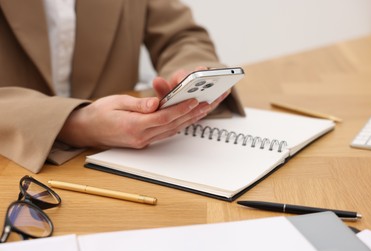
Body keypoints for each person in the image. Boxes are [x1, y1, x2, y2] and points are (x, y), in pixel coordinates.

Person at [0, 0, 242, 173]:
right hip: (14, 172)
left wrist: (190, 71)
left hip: (126, 165)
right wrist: (73, 122)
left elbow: (180, 35)